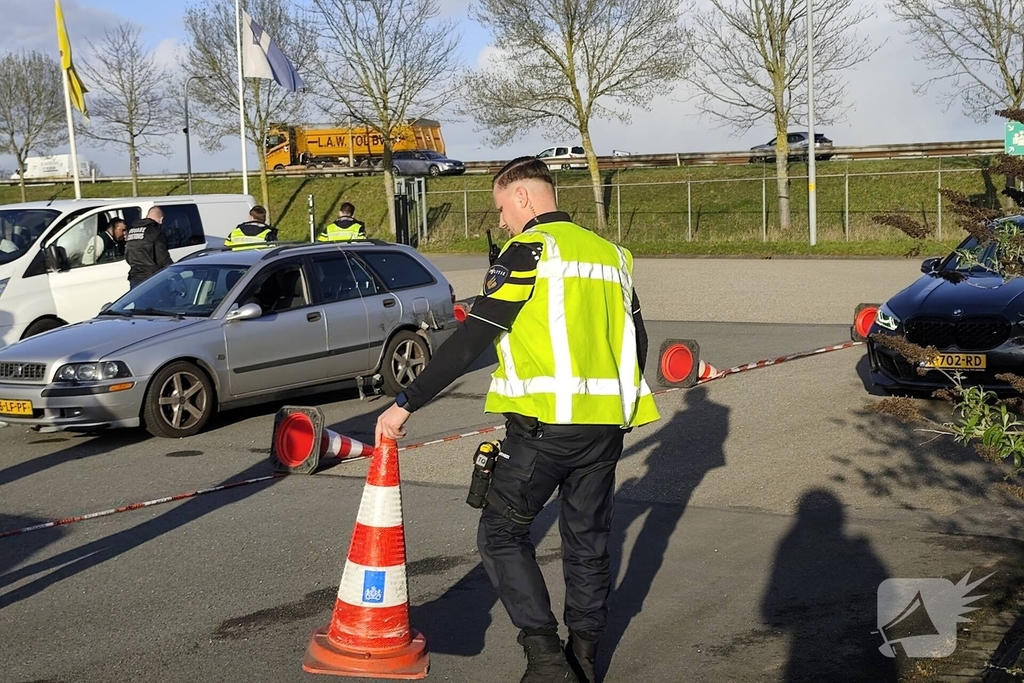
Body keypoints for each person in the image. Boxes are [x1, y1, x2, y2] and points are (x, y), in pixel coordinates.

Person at [375, 157, 660, 683]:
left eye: (503, 207)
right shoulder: (613, 256)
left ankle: (548, 661)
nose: (502, 220)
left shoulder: (527, 251)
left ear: (524, 198)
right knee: (589, 544)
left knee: (501, 534)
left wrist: (405, 402)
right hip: (604, 429)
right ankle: (584, 661)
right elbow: (636, 343)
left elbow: (473, 338)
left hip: (543, 430)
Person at [125, 206, 173, 289]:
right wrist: (175, 274)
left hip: (134, 277)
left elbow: (128, 254)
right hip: (152, 279)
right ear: (161, 219)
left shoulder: (132, 231)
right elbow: (163, 258)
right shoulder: (155, 232)